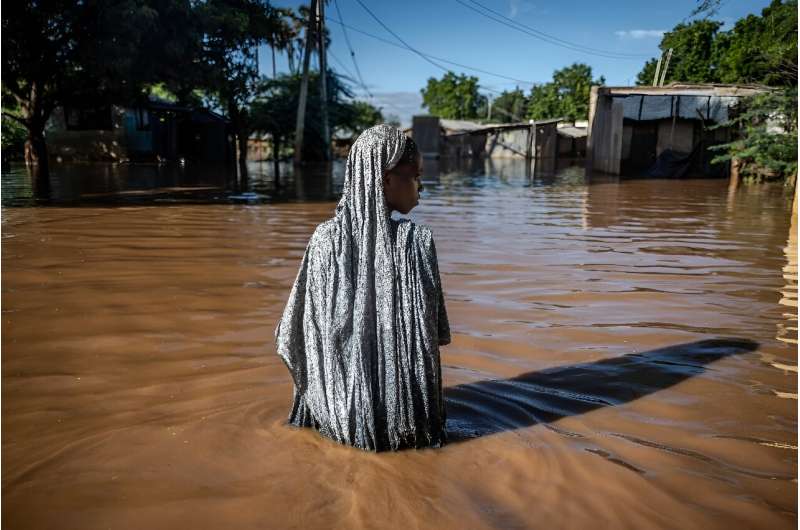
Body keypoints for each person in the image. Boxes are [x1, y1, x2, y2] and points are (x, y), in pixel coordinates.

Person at [274, 124, 451, 452]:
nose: (422, 187)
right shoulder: (416, 241)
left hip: (336, 423)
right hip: (409, 430)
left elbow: (293, 335)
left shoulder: (324, 241)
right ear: (385, 180)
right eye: (416, 176)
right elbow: (435, 337)